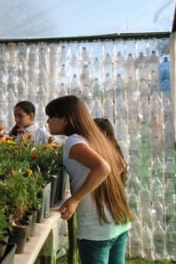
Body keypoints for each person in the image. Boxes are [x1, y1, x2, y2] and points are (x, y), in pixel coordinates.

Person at [45, 95, 134, 264]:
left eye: (51, 116)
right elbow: (120, 165)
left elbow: (103, 168)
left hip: (97, 228)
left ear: (65, 119)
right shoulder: (96, 138)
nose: (48, 121)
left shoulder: (74, 141)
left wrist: (75, 199)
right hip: (118, 220)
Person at [94, 117, 128, 186]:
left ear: (103, 134)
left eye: (93, 131)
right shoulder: (108, 147)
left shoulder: (109, 148)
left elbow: (121, 166)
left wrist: (104, 183)